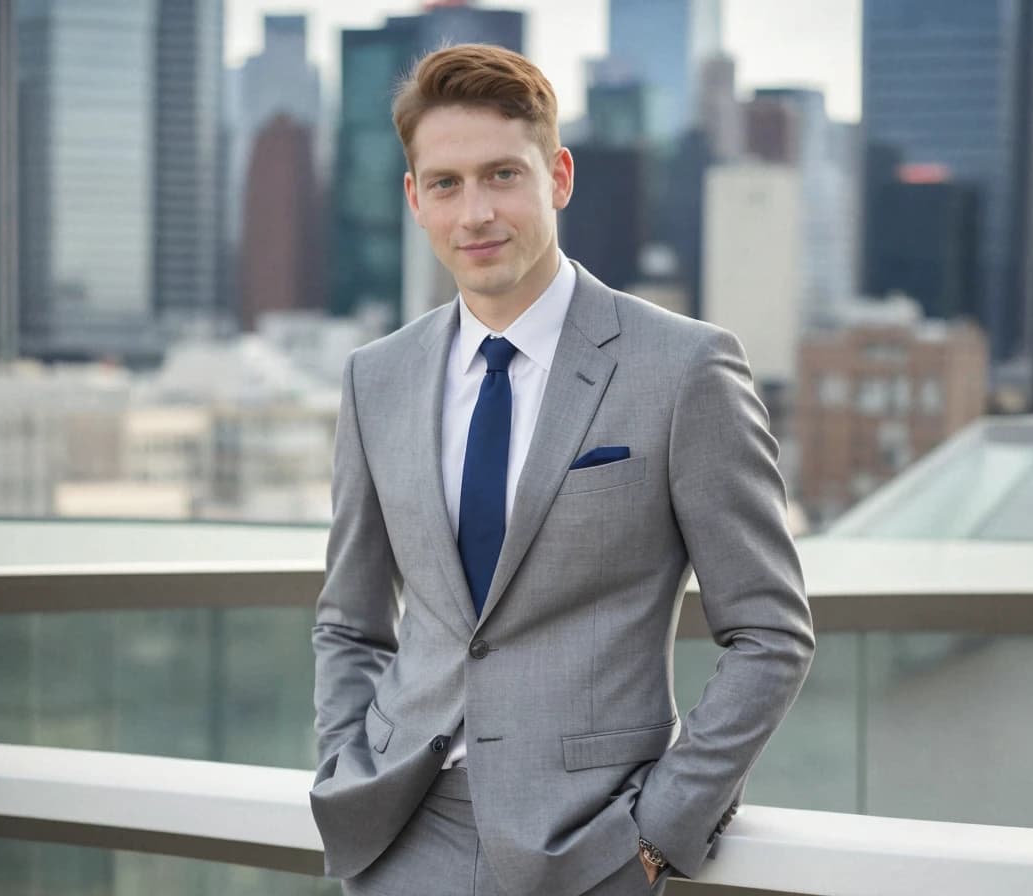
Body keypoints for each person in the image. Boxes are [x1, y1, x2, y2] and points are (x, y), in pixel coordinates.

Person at [309, 43, 814, 896]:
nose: (476, 213)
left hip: (590, 849)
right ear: (414, 199)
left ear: (559, 177)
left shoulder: (684, 370)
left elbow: (770, 634)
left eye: (503, 175)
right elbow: (350, 623)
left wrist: (660, 832)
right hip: (396, 839)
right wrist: (344, 766)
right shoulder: (376, 378)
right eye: (446, 184)